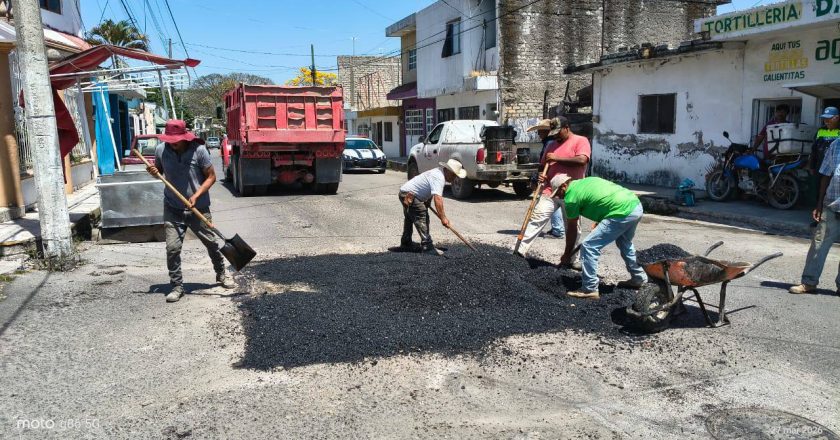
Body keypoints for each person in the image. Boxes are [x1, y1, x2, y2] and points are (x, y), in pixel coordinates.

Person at [146, 120, 234, 303]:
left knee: (212, 243)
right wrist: (153, 172)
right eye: (169, 139)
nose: (172, 143)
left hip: (198, 208)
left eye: (175, 140)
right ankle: (177, 286)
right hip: (173, 208)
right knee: (172, 248)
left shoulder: (199, 150)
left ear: (184, 137)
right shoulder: (161, 150)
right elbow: (160, 172)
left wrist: (196, 195)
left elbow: (211, 177)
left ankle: (221, 274)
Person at [552, 174, 647, 300]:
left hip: (620, 211)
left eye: (558, 192)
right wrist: (602, 220)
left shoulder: (571, 198)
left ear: (564, 185)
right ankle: (639, 278)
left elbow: (572, 229)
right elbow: (604, 196)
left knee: (589, 246)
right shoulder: (588, 181)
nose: (558, 196)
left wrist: (567, 254)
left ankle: (589, 288)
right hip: (635, 206)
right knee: (624, 242)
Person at [515, 117, 590, 269]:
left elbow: (582, 160)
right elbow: (544, 166)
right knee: (536, 218)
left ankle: (571, 259)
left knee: (572, 227)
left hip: (572, 192)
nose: (555, 136)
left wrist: (558, 158)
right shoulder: (551, 145)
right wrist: (542, 176)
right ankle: (519, 252)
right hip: (549, 190)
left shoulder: (580, 141)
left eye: (558, 132)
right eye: (553, 133)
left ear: (567, 128)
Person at [789, 137, 840, 295]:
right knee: (819, 244)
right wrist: (819, 203)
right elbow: (825, 174)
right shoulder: (836, 144)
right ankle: (809, 282)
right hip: (833, 204)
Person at [399, 159, 466, 255]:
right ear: (449, 171)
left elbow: (430, 190)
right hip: (409, 195)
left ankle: (406, 242)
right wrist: (443, 218)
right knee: (422, 215)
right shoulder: (439, 177)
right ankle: (427, 246)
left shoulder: (438, 172)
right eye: (454, 175)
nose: (455, 178)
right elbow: (438, 199)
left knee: (410, 217)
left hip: (405, 192)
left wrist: (427, 201)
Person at [810, 107, 840, 174]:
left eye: (829, 118)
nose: (826, 121)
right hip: (820, 165)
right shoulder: (821, 130)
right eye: (825, 119)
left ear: (837, 118)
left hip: (836, 168)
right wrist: (812, 166)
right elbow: (814, 149)